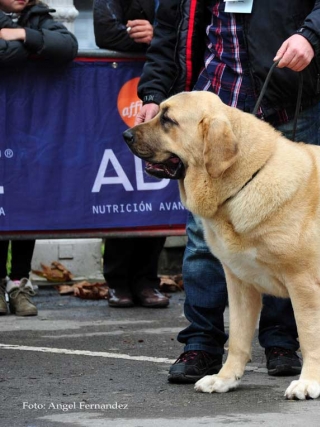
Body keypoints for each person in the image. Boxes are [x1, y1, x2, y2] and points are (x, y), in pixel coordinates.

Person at [134, 0, 320, 383]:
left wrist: (310, 37)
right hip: (208, 117)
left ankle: (280, 341)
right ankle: (201, 345)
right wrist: (155, 94)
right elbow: (169, 34)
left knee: (288, 240)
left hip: (287, 105)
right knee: (203, 240)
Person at [0, 0, 78, 315]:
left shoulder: (38, 15)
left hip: (27, 128)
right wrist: (30, 44)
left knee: (25, 204)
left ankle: (19, 284)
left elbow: (67, 46)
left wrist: (20, 34)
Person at [93, 0, 170, 309]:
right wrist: (155, 39)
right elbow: (105, 34)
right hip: (118, 90)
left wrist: (158, 36)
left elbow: (180, 33)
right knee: (119, 189)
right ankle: (118, 281)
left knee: (156, 182)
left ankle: (147, 279)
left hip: (163, 89)